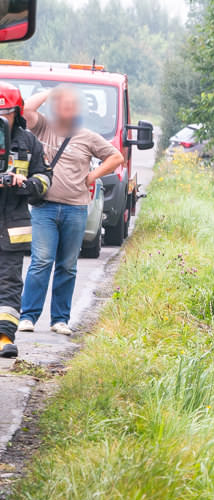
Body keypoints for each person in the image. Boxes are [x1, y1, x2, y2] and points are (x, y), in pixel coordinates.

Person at [18, 85, 123, 336]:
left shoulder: (87, 136)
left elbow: (116, 157)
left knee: (67, 265)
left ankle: (60, 319)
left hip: (75, 209)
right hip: (44, 207)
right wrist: (52, 92)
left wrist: (93, 175)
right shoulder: (44, 127)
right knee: (41, 262)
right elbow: (27, 109)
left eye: (71, 105)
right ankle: (28, 316)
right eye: (62, 104)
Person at [0, 82, 51, 357]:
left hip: (12, 229)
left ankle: (4, 338)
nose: (1, 118)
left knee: (9, 284)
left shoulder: (29, 142)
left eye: (5, 113)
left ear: (16, 112)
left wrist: (23, 184)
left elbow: (44, 181)